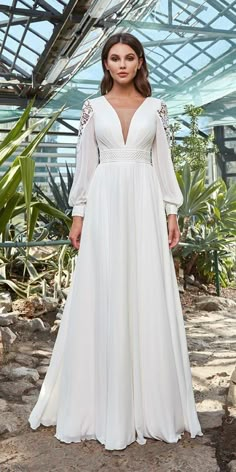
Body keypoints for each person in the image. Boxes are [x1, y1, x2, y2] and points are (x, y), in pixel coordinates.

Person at [28, 32, 203, 451]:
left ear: (140, 63)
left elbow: (164, 164)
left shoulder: (157, 108)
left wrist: (171, 211)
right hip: (105, 205)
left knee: (145, 290)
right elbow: (85, 167)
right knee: (102, 291)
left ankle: (150, 406)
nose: (122, 64)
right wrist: (78, 214)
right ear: (105, 65)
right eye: (114, 58)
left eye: (129, 57)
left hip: (144, 203)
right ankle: (97, 402)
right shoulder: (92, 109)